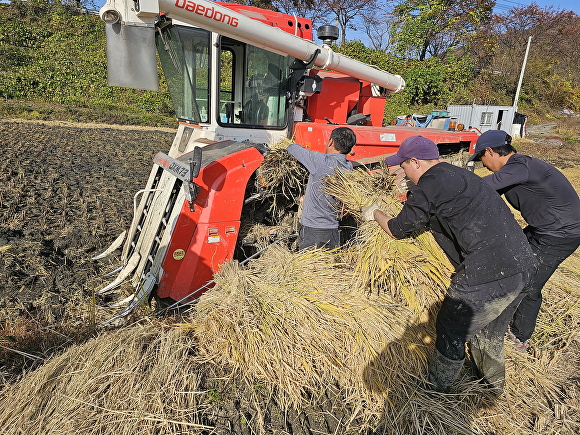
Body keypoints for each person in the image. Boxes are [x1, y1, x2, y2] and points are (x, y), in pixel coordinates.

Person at [362, 135, 537, 394]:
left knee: (450, 326)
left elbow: (398, 230)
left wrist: (375, 212)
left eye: (403, 166)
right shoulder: (458, 175)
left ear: (415, 162)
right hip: (523, 266)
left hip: (488, 272)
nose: (403, 171)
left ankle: (437, 389)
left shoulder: (429, 185)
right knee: (488, 334)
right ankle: (491, 388)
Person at [469, 130, 580, 352]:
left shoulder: (520, 166)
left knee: (528, 284)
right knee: (511, 262)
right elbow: (487, 197)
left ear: (490, 151)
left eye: (481, 159)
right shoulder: (515, 171)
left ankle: (519, 338)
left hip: (560, 235)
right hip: (544, 229)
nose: (483, 165)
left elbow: (479, 187)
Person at [288, 127, 357, 250]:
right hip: (333, 230)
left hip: (313, 230)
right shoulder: (348, 167)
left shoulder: (321, 161)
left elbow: (292, 148)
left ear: (331, 142)